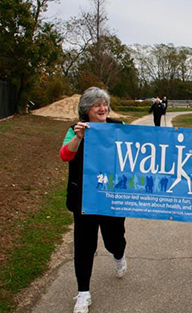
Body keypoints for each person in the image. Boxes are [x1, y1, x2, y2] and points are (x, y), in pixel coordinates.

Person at [59, 87, 127, 313]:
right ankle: (83, 293)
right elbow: (65, 155)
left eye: (104, 104)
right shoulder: (76, 130)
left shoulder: (119, 128)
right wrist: (78, 138)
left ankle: (119, 255)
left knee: (114, 241)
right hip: (84, 199)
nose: (102, 108)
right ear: (86, 109)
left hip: (112, 198)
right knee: (84, 246)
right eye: (96, 105)